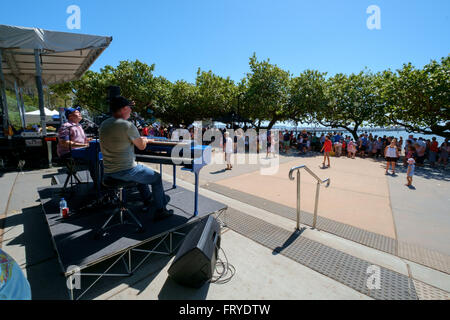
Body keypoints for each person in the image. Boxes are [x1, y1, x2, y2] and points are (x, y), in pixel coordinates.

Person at [99, 96, 173, 220]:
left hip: (108, 171)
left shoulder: (104, 124)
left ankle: (148, 199)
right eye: (129, 108)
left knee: (142, 172)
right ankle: (161, 211)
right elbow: (141, 147)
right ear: (124, 109)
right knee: (157, 178)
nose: (131, 111)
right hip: (125, 170)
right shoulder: (127, 125)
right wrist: (144, 140)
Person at [57, 106, 97, 182]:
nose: (80, 114)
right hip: (68, 154)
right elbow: (64, 143)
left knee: (98, 155)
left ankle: (98, 181)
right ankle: (97, 182)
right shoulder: (66, 126)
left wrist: (88, 140)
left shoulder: (79, 126)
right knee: (95, 159)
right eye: (77, 112)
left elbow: (80, 140)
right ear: (70, 116)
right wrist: (84, 145)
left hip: (79, 151)